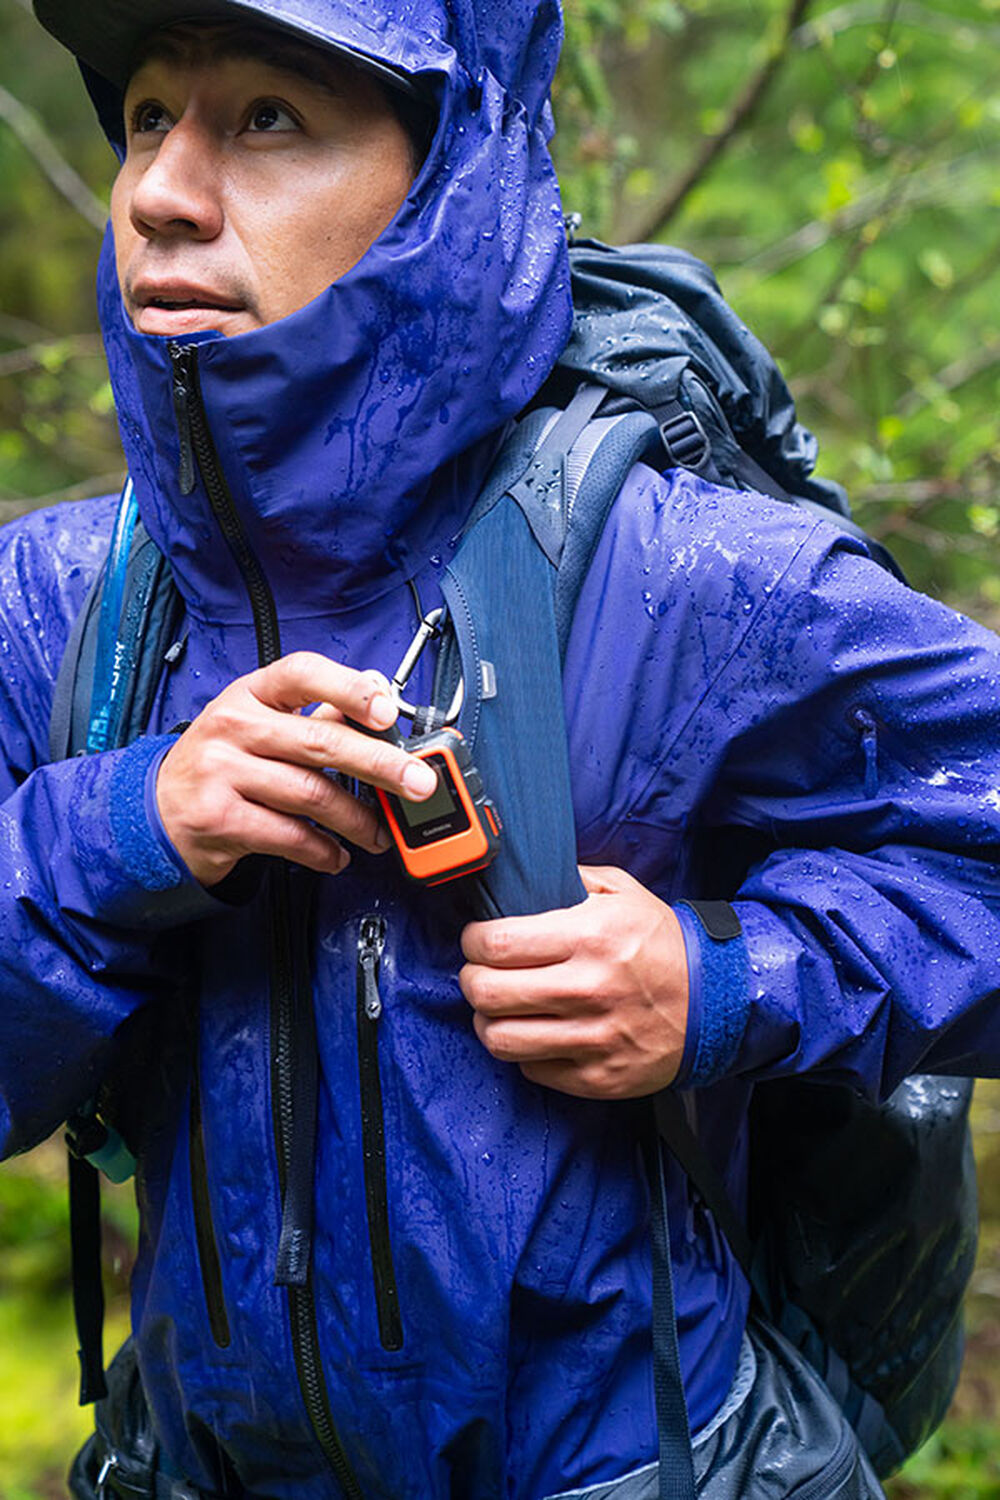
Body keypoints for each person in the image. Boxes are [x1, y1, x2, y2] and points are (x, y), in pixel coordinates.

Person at [5, 0, 1000, 1496]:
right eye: (149, 115)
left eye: (267, 117)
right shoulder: (60, 606)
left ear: (448, 174)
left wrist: (729, 979)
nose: (162, 191)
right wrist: (118, 835)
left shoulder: (676, 578)